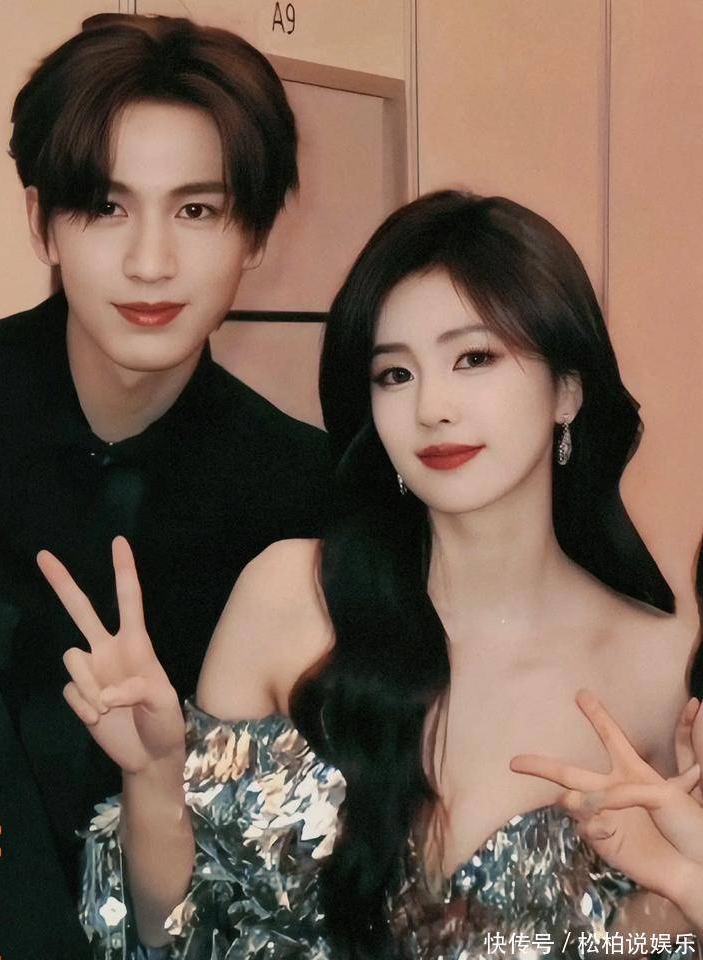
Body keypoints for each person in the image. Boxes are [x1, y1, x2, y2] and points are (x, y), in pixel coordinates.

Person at [41, 191, 702, 959]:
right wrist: (155, 772)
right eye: (394, 374)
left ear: (568, 390)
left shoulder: (664, 667)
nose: (432, 407)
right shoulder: (290, 598)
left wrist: (681, 893)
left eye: (474, 358)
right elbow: (173, 935)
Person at [0, 14, 329, 959]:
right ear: (40, 223)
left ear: (256, 234)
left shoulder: (307, 498)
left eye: (197, 211)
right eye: (105, 206)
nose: (150, 262)